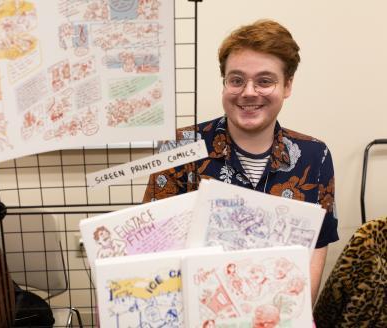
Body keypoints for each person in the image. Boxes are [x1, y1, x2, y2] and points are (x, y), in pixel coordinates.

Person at [143, 19, 339, 305]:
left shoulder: (315, 156)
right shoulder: (180, 148)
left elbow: (315, 250)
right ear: (225, 83)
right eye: (236, 80)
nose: (248, 92)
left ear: (287, 85)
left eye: (264, 80)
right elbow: (151, 249)